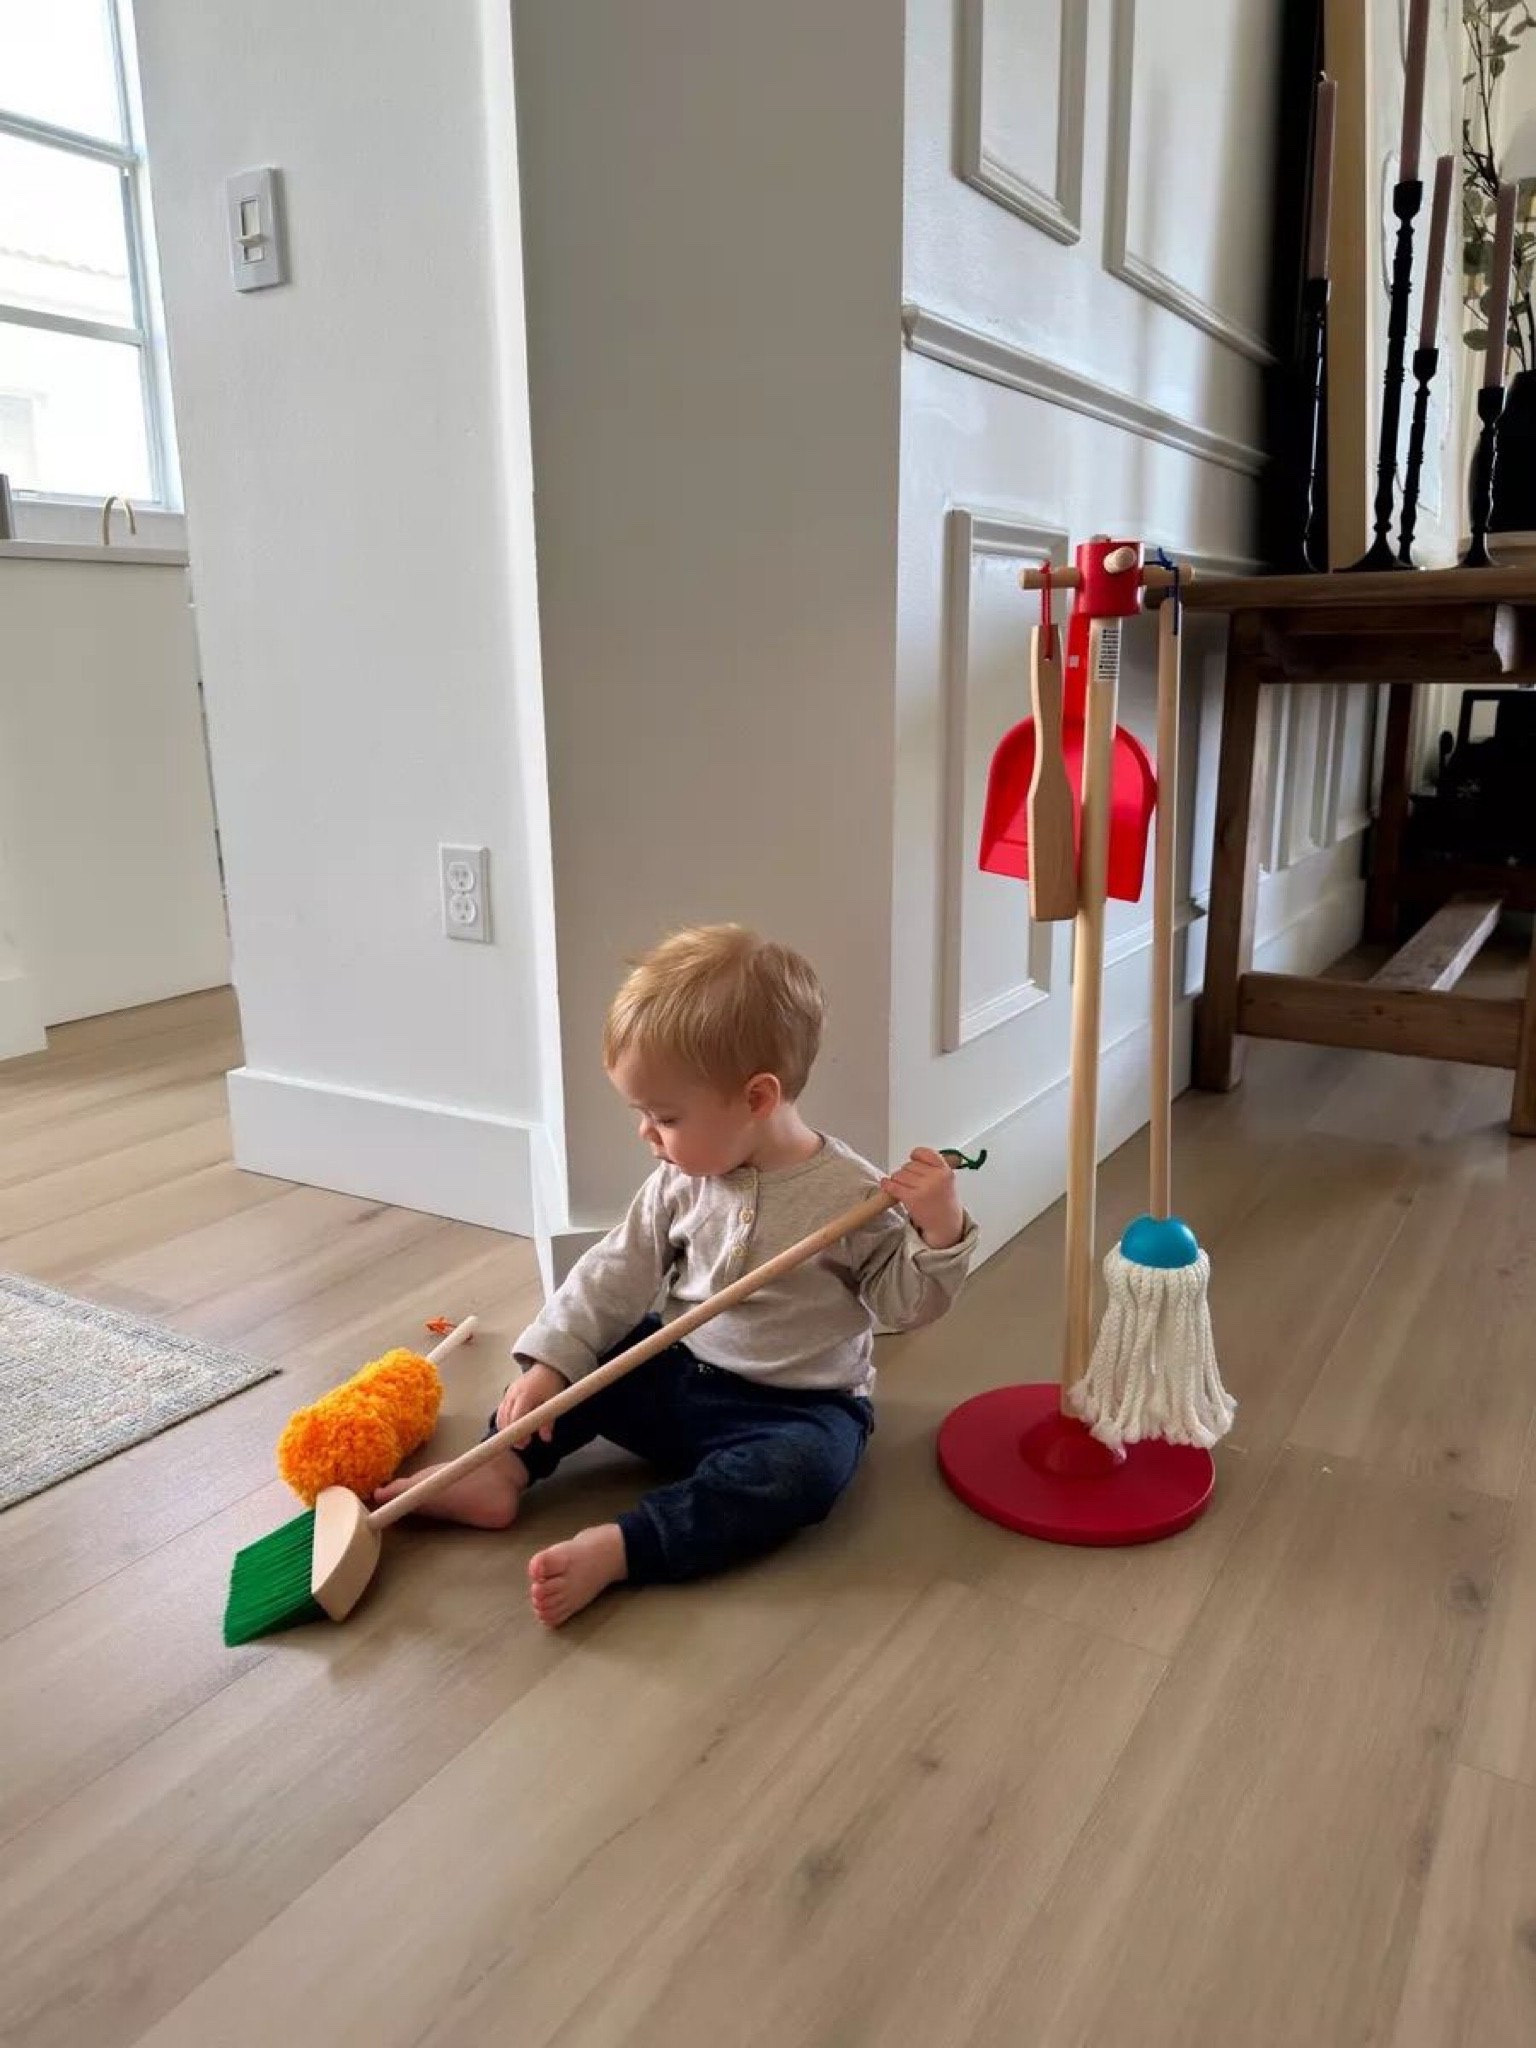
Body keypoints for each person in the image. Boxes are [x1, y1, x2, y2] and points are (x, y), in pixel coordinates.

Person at [375, 924, 978, 1625]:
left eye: (663, 1116)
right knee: (592, 1358)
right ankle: (500, 1469)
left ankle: (629, 1546)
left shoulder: (853, 1197)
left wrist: (939, 1228)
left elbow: (906, 1305)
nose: (646, 1134)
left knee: (802, 1477)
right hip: (680, 1371)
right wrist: (549, 1364)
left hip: (796, 1410)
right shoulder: (677, 1180)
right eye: (642, 1114)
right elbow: (612, 1273)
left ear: (757, 1098)